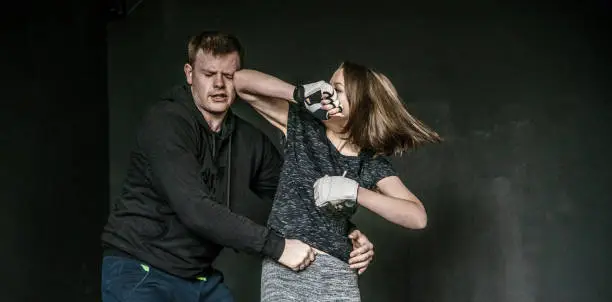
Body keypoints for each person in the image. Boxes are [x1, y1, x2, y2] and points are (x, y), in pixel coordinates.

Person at [100, 31, 375, 302]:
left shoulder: (248, 140)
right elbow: (195, 208)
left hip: (196, 276)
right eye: (209, 74)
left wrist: (345, 231)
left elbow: (294, 193)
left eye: (229, 76)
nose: (219, 84)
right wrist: (278, 248)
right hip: (140, 268)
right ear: (189, 74)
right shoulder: (166, 123)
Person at [233, 62, 442, 301]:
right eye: (327, 86)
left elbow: (417, 217)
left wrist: (356, 192)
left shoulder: (368, 162)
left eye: (337, 89)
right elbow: (240, 81)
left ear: (360, 103)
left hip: (337, 273)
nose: (326, 92)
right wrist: (298, 93)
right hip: (286, 266)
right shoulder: (303, 124)